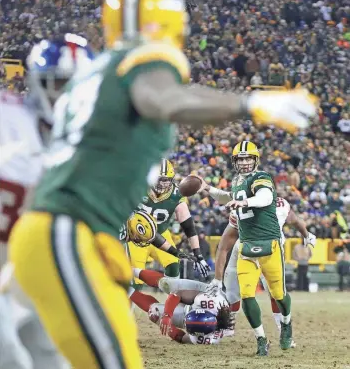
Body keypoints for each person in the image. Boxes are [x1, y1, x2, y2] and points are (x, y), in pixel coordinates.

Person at [9, 0, 318, 369]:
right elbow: (162, 99)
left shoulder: (97, 73)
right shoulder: (144, 59)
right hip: (69, 232)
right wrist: (250, 105)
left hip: (58, 231)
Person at [0, 34, 94, 369]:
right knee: (7, 352)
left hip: (30, 267)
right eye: (59, 84)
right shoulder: (7, 120)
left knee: (53, 354)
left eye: (78, 86)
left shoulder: (94, 147)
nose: (68, 96)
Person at [198, 141, 296, 356]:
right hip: (247, 245)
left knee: (279, 294)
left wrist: (245, 203)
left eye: (247, 158)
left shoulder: (262, 178)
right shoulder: (238, 181)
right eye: (240, 159)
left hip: (269, 243)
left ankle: (286, 323)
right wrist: (209, 189)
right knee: (247, 295)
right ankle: (261, 339)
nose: (244, 162)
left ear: (255, 159)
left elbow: (265, 197)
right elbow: (230, 198)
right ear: (235, 161)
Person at [208, 196, 316, 336]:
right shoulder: (240, 208)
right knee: (234, 289)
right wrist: (217, 278)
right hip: (246, 250)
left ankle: (282, 327)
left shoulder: (280, 205)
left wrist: (307, 234)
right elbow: (223, 247)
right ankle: (230, 324)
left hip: (272, 251)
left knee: (276, 293)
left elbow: (294, 220)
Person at [129, 159, 210, 290]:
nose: (162, 183)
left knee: (173, 267)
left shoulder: (176, 194)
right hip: (136, 238)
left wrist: (198, 254)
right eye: (159, 179)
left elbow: (188, 226)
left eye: (166, 180)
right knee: (135, 282)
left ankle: (170, 307)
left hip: (162, 234)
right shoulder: (139, 187)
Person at [131, 269, 233, 345]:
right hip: (205, 291)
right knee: (167, 284)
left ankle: (126, 290)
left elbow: (182, 338)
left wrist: (170, 329)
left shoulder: (208, 339)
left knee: (154, 313)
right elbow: (177, 294)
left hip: (189, 313)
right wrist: (167, 315)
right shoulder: (208, 301)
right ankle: (130, 270)